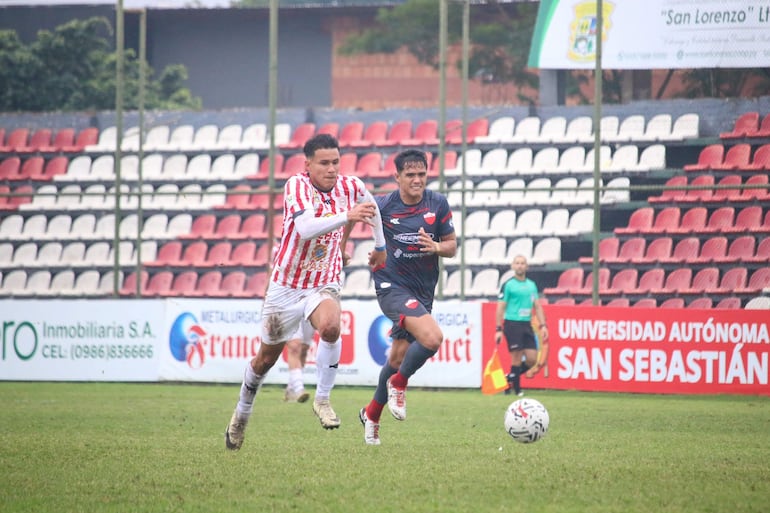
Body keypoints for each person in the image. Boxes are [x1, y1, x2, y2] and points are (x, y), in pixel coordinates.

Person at [225, 133, 387, 451]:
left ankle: (323, 400)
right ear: (308, 164)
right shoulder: (296, 186)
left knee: (330, 326)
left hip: (322, 281)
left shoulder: (349, 186)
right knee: (265, 360)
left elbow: (372, 207)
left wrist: (380, 246)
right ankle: (241, 414)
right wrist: (347, 217)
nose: (331, 169)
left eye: (335, 162)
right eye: (324, 163)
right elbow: (306, 228)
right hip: (285, 286)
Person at [344, 148, 457, 445]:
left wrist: (435, 248)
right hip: (391, 286)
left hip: (422, 289)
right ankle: (400, 383)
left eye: (422, 174)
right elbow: (352, 216)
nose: (417, 180)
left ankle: (371, 414)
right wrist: (344, 248)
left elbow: (452, 246)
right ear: (397, 177)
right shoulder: (382, 206)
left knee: (396, 357)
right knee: (432, 339)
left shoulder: (438, 204)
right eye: (410, 175)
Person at [494, 255, 549, 397]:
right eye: (517, 263)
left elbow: (537, 306)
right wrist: (498, 328)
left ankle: (509, 379)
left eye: (522, 263)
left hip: (527, 324)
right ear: (513, 266)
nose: (519, 266)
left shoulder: (531, 285)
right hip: (512, 323)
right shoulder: (508, 285)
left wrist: (543, 326)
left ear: (527, 266)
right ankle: (517, 390)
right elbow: (500, 307)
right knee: (516, 358)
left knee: (532, 359)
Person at [283, 320, 314, 403]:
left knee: (304, 349)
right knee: (295, 346)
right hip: (290, 308)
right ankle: (299, 389)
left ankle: (291, 388)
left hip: (308, 310)